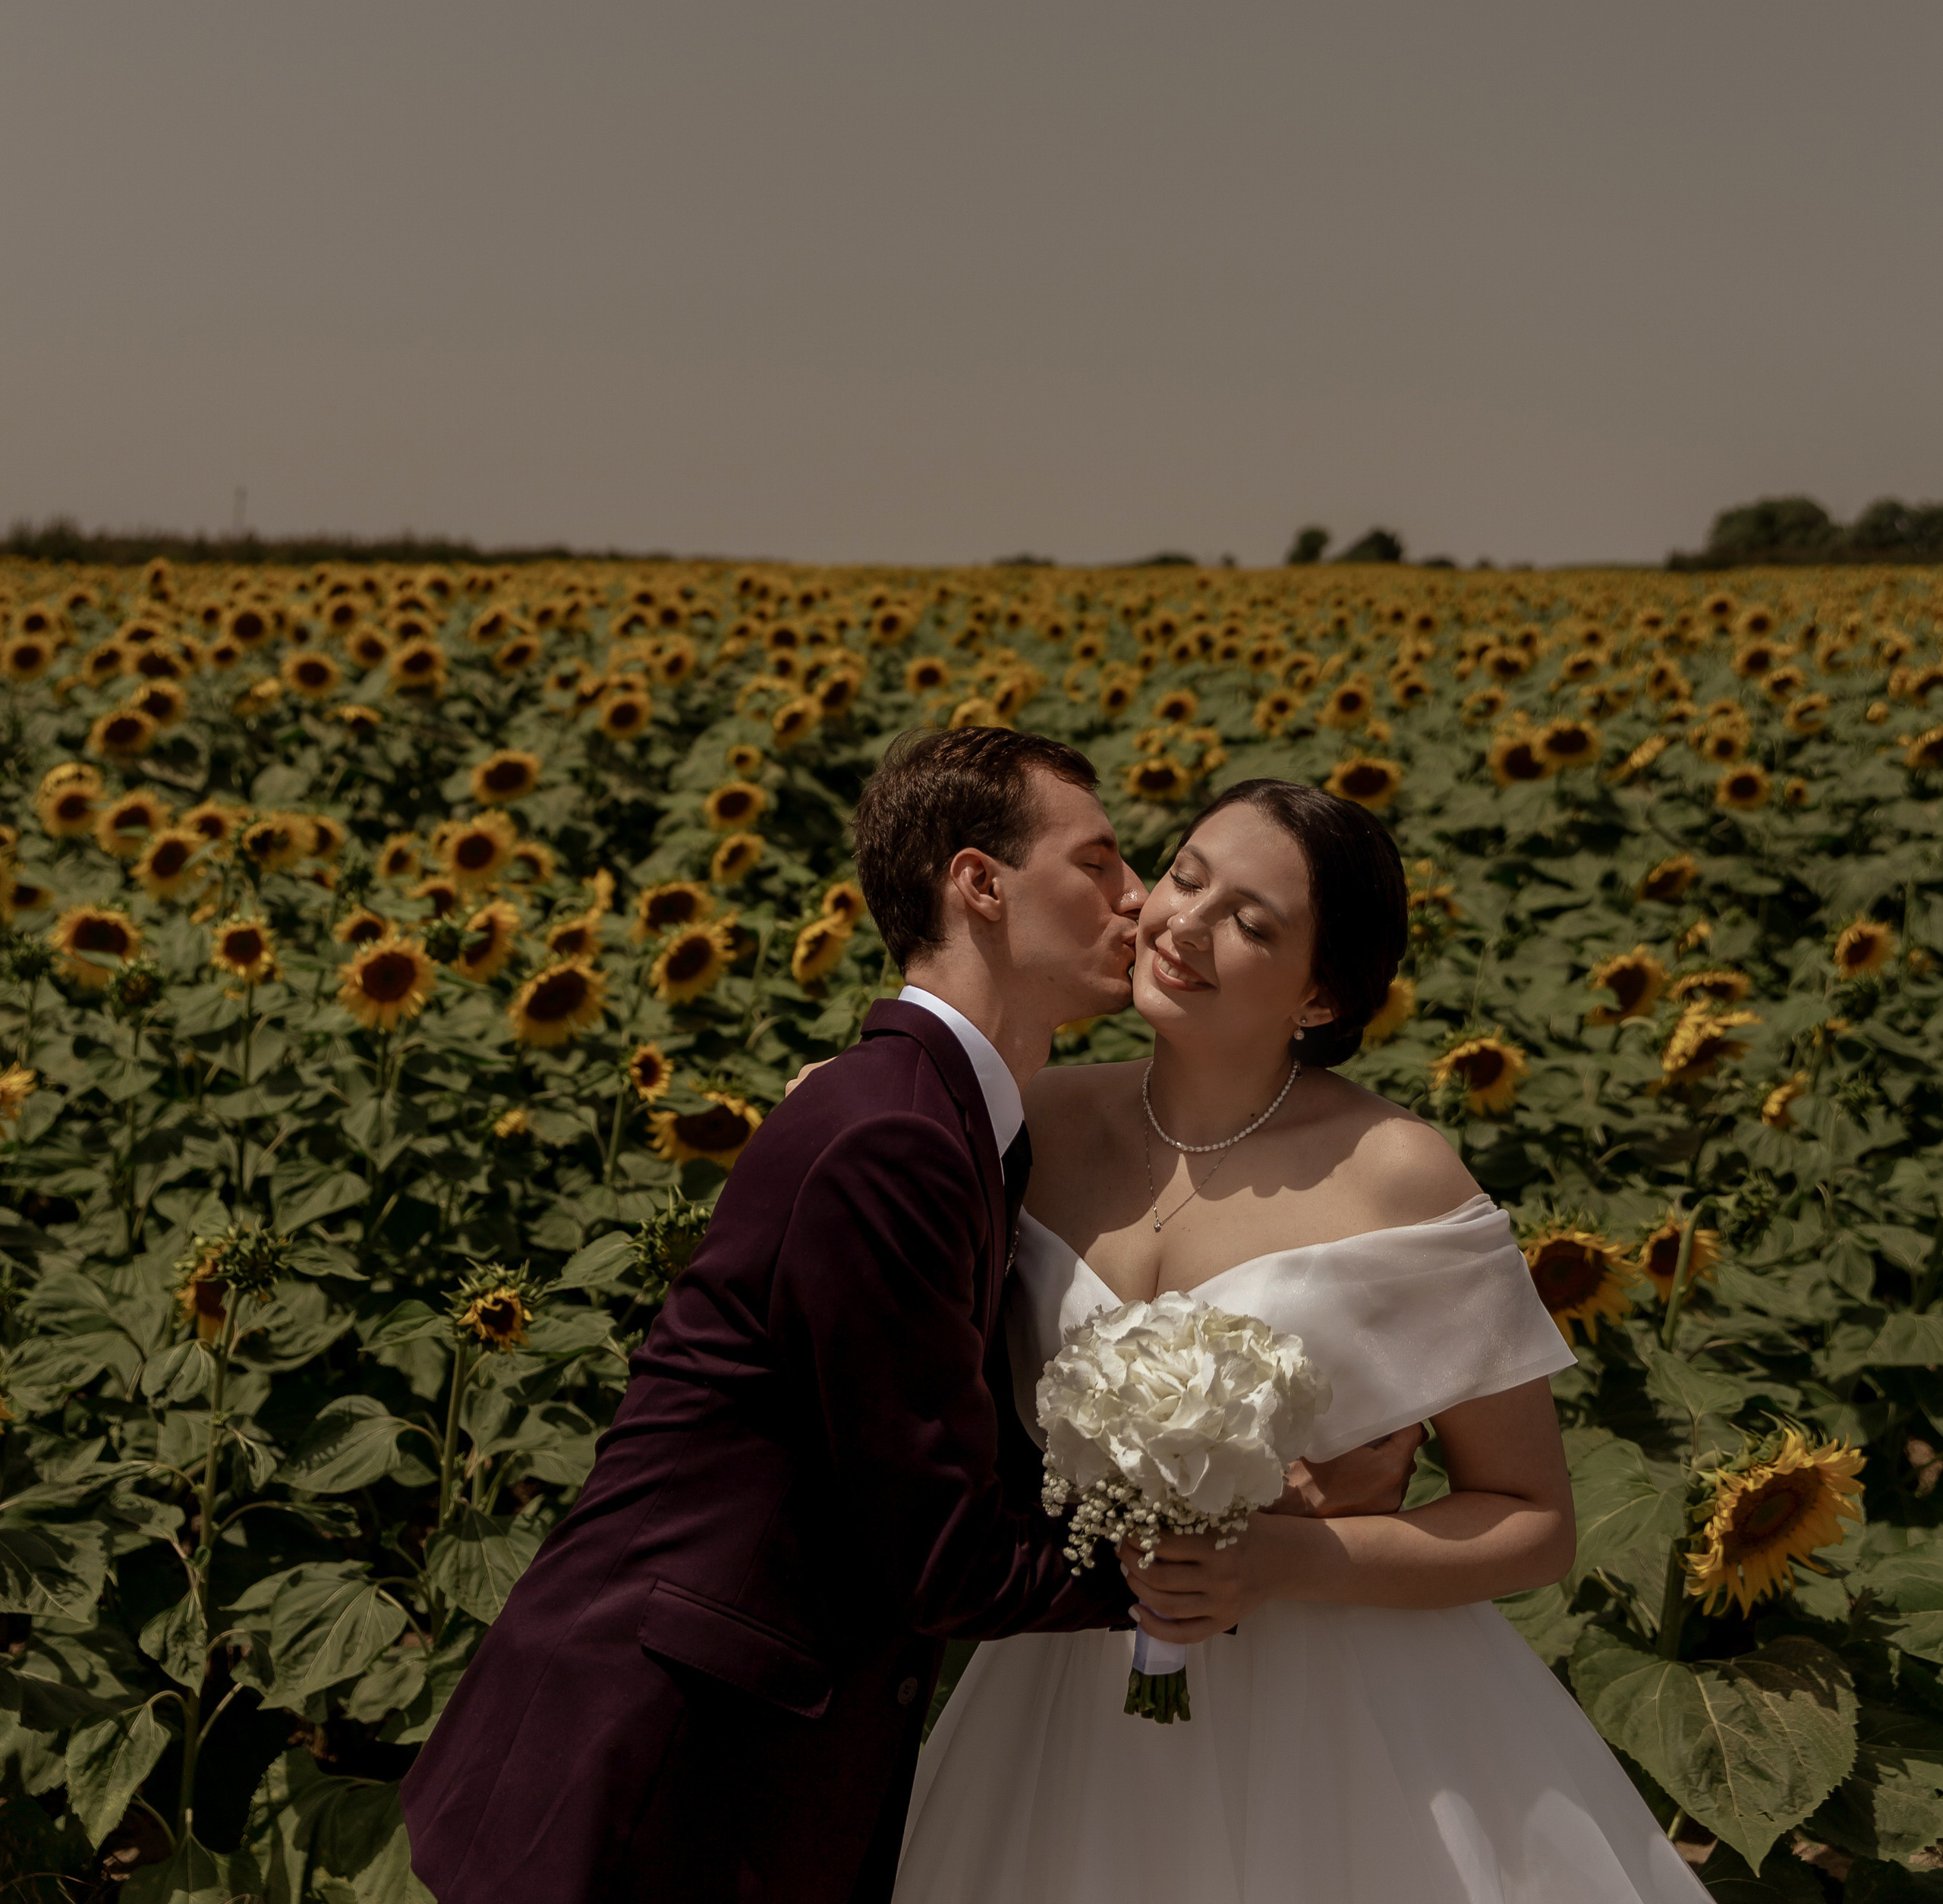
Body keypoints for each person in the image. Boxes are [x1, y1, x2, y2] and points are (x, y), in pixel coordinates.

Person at [400, 731, 1419, 1904]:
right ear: (981, 884)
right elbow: (944, 1560)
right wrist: (1218, 1556)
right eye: (1099, 864)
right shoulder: (895, 1139)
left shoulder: (949, 1123)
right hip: (664, 1760)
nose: (1139, 901)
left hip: (735, 1749)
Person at [895, 779, 1709, 1904]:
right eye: (1185, 877)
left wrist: (1285, 1558)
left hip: (1343, 1710)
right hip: (1061, 1673)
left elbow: (1532, 1522)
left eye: (1253, 922)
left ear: (1320, 995)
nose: (1186, 923)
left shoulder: (1397, 1173)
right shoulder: (1038, 1120)